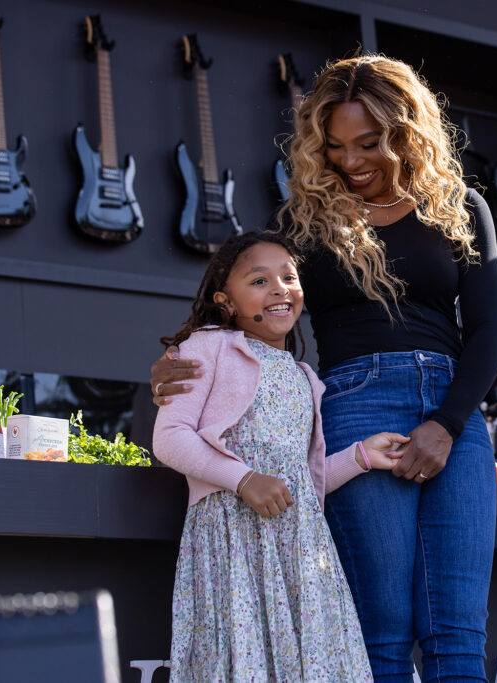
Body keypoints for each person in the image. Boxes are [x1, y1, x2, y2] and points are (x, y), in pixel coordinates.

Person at [151, 55, 497, 682]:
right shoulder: (304, 222)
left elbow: (489, 333)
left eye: (369, 143)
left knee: (459, 632)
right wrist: (181, 361)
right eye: (336, 146)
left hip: (454, 408)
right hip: (355, 404)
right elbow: (248, 299)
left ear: (407, 130)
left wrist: (448, 424)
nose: (351, 160)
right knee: (382, 631)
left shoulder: (460, 206)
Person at [152, 231, 411, 682]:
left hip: (300, 549)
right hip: (233, 541)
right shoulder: (207, 347)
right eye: (258, 281)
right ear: (225, 301)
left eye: (289, 277)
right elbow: (170, 438)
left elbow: (301, 483)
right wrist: (243, 479)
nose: (279, 288)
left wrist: (361, 457)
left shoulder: (305, 376)